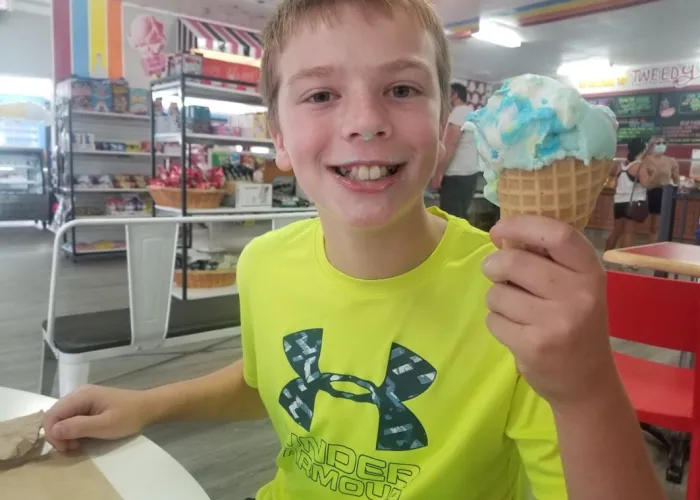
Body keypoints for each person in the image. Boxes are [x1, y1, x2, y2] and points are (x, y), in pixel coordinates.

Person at [42, 1, 666, 499]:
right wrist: (146, 405)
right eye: (320, 95)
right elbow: (272, 383)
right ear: (277, 136)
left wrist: (586, 390)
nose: (365, 120)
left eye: (401, 89)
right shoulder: (264, 264)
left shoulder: (517, 304)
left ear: (444, 123)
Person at [430, 82, 480, 219]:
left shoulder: (458, 113)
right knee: (460, 218)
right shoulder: (472, 113)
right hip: (470, 176)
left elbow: (450, 144)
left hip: (455, 177)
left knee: (450, 220)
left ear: (455, 95)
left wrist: (438, 174)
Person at [605, 138, 652, 251]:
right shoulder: (640, 166)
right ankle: (624, 263)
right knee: (629, 233)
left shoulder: (621, 165)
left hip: (619, 202)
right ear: (643, 150)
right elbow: (647, 184)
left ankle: (606, 257)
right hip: (634, 203)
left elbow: (615, 184)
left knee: (616, 231)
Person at [643, 136, 680, 242]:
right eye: (658, 143)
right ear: (651, 145)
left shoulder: (671, 161)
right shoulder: (645, 159)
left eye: (664, 143)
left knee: (658, 226)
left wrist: (677, 189)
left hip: (664, 194)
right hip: (647, 193)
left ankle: (654, 248)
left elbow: (676, 179)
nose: (662, 145)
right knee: (647, 225)